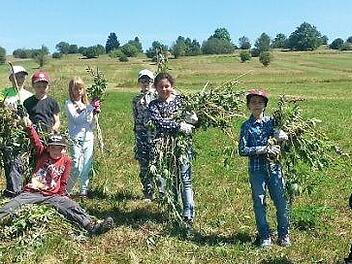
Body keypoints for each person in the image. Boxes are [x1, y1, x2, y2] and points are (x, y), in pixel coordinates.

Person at [0, 116, 114, 235]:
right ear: (48, 148)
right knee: (11, 206)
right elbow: (35, 140)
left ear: (64, 149)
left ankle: (91, 226)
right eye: (53, 148)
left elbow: (63, 181)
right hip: (31, 193)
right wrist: (29, 127)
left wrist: (62, 195)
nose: (56, 151)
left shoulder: (66, 161)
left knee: (71, 206)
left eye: (59, 148)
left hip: (51, 196)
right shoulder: (42, 154)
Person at [238, 89, 290, 247]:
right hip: (257, 170)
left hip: (274, 168)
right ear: (248, 106)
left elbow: (283, 143)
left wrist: (283, 137)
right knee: (259, 202)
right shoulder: (246, 126)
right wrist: (263, 149)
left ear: (265, 105)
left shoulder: (272, 122)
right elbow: (242, 149)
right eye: (253, 102)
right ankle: (265, 235)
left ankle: (284, 234)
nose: (257, 105)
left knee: (281, 201)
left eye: (260, 102)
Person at [148, 72, 197, 225]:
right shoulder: (153, 105)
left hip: (182, 146)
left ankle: (188, 213)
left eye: (167, 86)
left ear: (172, 87)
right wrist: (179, 126)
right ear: (155, 88)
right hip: (165, 147)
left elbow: (194, 120)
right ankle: (173, 210)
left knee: (186, 179)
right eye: (160, 86)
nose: (164, 89)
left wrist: (192, 119)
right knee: (171, 180)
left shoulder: (181, 101)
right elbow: (159, 123)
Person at [0, 65, 33, 197]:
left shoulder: (29, 96)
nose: (20, 79)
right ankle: (12, 189)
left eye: (22, 76)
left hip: (22, 134)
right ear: (10, 78)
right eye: (17, 76)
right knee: (9, 162)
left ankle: (19, 190)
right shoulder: (4, 93)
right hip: (8, 133)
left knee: (20, 162)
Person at [65, 77, 100, 197]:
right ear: (71, 90)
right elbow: (77, 119)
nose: (78, 91)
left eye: (80, 88)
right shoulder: (69, 104)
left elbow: (90, 124)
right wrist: (90, 108)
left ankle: (83, 191)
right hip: (76, 138)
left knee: (86, 165)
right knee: (76, 165)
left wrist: (95, 113)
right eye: (75, 89)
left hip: (88, 138)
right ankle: (66, 190)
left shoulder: (86, 104)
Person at [132, 69, 158, 201]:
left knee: (156, 162)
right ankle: (148, 191)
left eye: (148, 80)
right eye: (142, 80)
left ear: (152, 82)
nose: (145, 83)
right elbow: (135, 117)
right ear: (139, 83)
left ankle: (160, 191)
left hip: (155, 135)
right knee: (144, 164)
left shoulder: (157, 96)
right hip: (141, 136)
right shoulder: (136, 99)